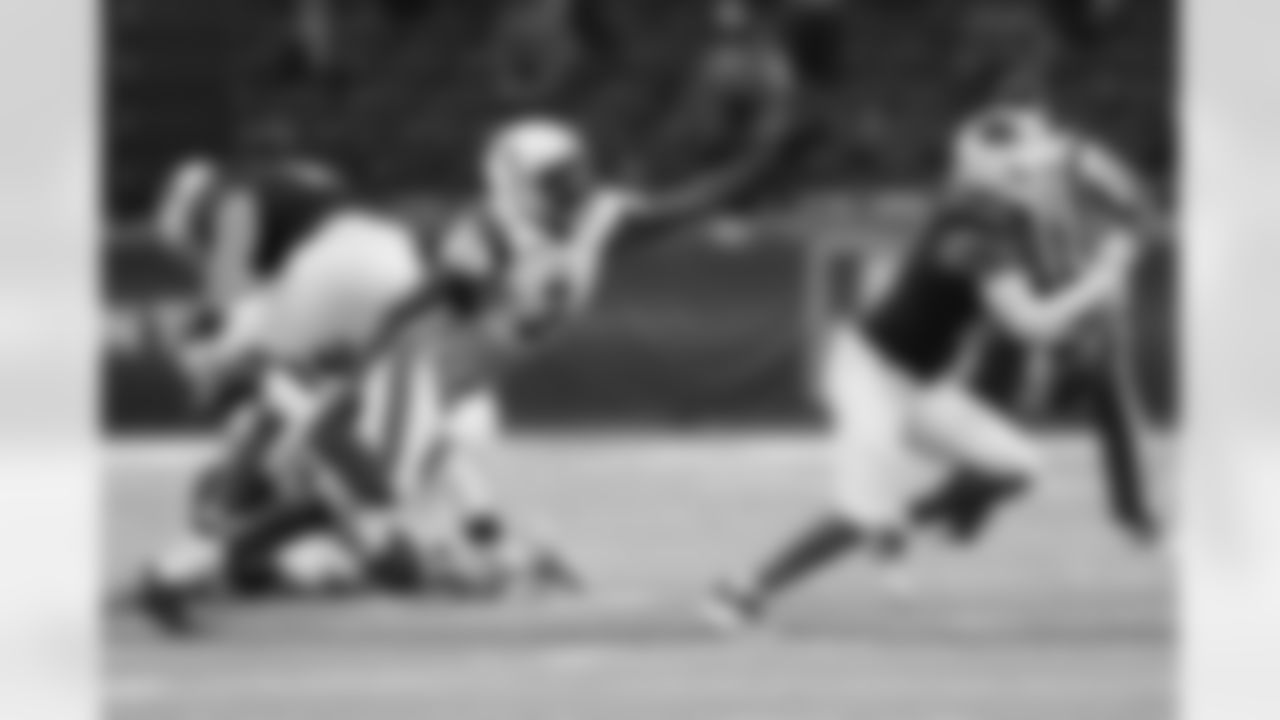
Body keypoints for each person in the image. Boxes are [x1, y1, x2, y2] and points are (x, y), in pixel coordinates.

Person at [134, 114, 757, 634]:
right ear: (517, 184)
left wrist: (760, 166)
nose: (576, 187)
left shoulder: (598, 219)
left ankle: (179, 572)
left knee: (341, 499)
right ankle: (185, 571)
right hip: (416, 373)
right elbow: (421, 305)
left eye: (576, 174)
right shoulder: (491, 233)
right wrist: (370, 358)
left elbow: (687, 207)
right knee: (353, 495)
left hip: (441, 385)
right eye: (559, 180)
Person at [709, 109, 1150, 627]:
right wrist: (1101, 281)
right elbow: (1030, 324)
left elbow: (1051, 288)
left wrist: (1092, 287)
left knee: (1017, 467)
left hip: (920, 385)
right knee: (857, 511)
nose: (1041, 178)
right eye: (1027, 169)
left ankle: (897, 524)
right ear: (998, 172)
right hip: (868, 374)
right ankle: (743, 590)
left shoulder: (1007, 215)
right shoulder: (971, 228)